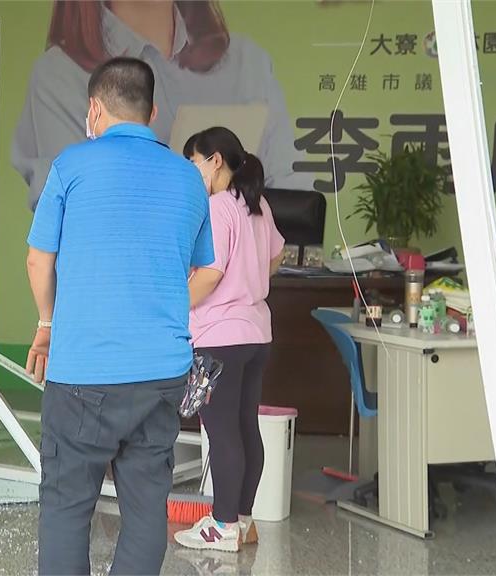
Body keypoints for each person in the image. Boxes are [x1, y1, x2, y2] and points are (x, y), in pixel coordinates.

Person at [26, 56, 214, 575]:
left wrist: (47, 324)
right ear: (153, 110)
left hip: (84, 368)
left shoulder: (70, 166)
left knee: (66, 505)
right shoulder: (188, 177)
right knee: (147, 505)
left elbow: (39, 258)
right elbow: (203, 267)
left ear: (93, 109)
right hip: (161, 372)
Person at [13, 0, 311, 211]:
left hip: (229, 286)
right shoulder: (59, 74)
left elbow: (290, 198)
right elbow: (75, 205)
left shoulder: (247, 63)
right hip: (132, 283)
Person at [174, 127, 285, 553]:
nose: (192, 173)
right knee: (243, 427)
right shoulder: (256, 203)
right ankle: (241, 520)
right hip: (256, 334)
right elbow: (274, 258)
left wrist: (171, 305)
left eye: (194, 163)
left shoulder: (220, 206)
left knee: (221, 433)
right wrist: (249, 278)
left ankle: (220, 526)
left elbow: (210, 274)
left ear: (214, 160)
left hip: (218, 338)